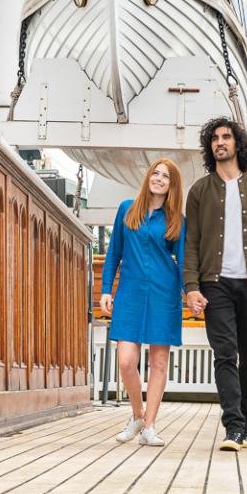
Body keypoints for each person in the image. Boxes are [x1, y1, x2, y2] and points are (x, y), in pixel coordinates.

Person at [183, 117, 247, 452]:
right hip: (216, 284)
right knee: (225, 354)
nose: (219, 142)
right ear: (209, 146)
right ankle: (234, 427)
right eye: (214, 138)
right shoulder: (199, 191)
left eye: (226, 137)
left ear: (238, 144)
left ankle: (246, 418)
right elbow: (192, 245)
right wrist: (191, 286)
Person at [100, 158, 186, 447]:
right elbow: (114, 253)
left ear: (172, 185)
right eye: (156, 173)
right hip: (130, 294)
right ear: (149, 177)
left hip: (164, 293)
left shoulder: (177, 220)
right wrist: (105, 290)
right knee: (126, 362)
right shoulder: (127, 209)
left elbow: (185, 260)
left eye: (166, 176)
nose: (159, 179)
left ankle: (149, 427)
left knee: (158, 362)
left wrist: (191, 292)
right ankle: (137, 415)